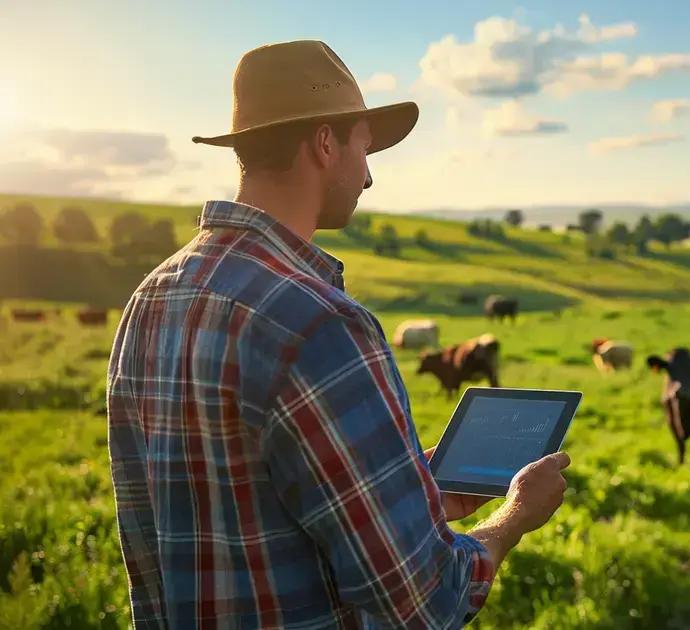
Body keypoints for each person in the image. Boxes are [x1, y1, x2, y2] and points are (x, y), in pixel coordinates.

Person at [107, 40, 569, 629]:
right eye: (364, 146)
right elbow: (426, 599)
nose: (370, 176)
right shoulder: (320, 321)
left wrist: (412, 490)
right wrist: (514, 518)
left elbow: (212, 511)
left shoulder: (151, 297)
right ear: (326, 143)